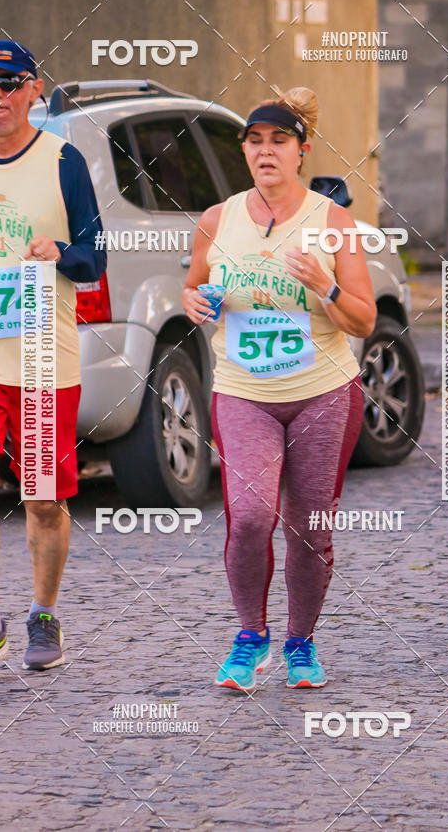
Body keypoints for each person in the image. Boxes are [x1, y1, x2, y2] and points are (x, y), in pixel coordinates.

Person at [182, 87, 376, 691]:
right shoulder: (218, 220)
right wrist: (194, 302)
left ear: (301, 152)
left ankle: (300, 642)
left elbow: (365, 320)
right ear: (245, 152)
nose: (266, 152)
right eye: (255, 141)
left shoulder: (333, 222)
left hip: (323, 393)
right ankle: (249, 636)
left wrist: (326, 285)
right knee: (250, 517)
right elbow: (192, 289)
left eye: (279, 142)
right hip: (243, 392)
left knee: (310, 526)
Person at [0, 40, 106, 676]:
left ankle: (44, 613)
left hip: (44, 352)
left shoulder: (63, 160)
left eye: (9, 84)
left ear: (35, 90)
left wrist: (59, 252)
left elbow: (95, 256)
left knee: (43, 498)